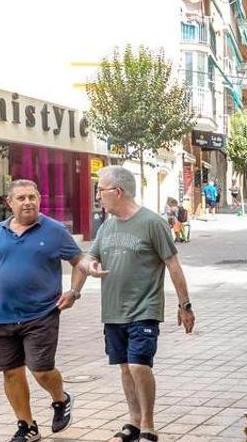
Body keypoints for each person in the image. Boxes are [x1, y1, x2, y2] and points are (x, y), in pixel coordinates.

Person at [0, 180, 86, 442]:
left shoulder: (54, 231)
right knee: (11, 371)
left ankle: (60, 399)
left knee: (40, 370)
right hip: (1, 316)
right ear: (10, 202)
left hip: (41, 313)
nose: (28, 202)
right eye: (21, 198)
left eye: (32, 197)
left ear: (39, 199)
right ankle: (27, 425)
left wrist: (73, 292)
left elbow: (79, 261)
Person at [80, 166, 194, 442]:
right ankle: (133, 420)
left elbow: (173, 265)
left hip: (144, 308)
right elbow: (87, 259)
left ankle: (148, 425)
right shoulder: (107, 226)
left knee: (139, 366)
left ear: (117, 192)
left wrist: (185, 305)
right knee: (124, 367)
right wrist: (89, 269)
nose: (98, 196)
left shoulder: (152, 223)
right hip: (113, 310)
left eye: (100, 190)